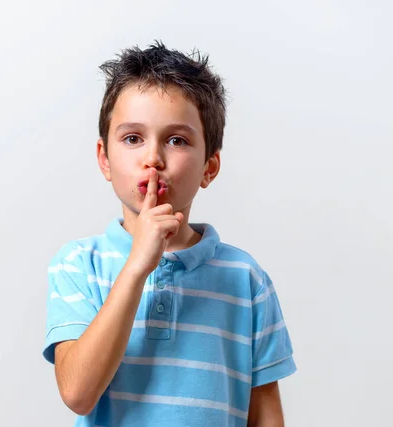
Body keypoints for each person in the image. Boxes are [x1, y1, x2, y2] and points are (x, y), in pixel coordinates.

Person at [43, 40, 296, 427]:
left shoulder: (246, 279)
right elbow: (78, 392)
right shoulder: (80, 265)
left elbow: (265, 414)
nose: (153, 159)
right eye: (132, 138)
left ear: (210, 167)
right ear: (104, 159)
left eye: (177, 140)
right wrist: (137, 268)